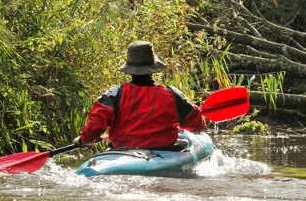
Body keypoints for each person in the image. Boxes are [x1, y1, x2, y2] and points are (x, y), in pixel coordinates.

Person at [72, 40, 206, 149]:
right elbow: (197, 125)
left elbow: (93, 127)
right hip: (164, 152)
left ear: (129, 69)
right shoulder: (172, 94)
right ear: (153, 68)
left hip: (123, 153)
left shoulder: (113, 95)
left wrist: (83, 141)